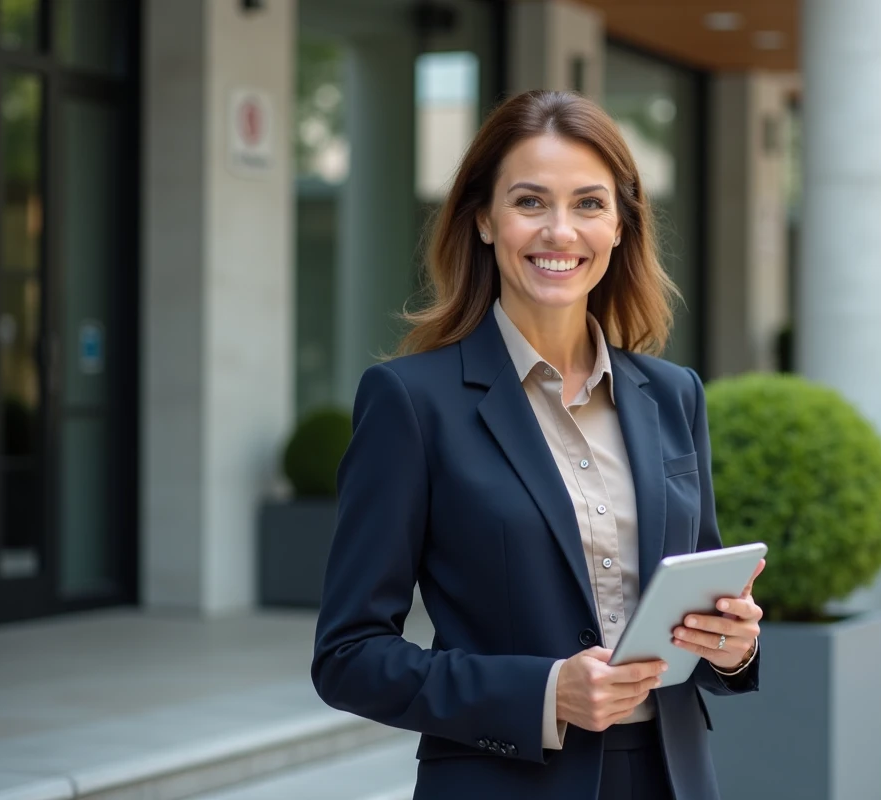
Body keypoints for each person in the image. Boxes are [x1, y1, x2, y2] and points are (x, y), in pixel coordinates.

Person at [311, 89, 765, 800]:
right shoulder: (411, 402)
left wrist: (730, 648)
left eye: (589, 204)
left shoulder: (674, 394)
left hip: (671, 778)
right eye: (530, 202)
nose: (561, 231)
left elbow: (694, 605)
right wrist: (545, 692)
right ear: (485, 220)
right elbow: (348, 657)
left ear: (620, 227)